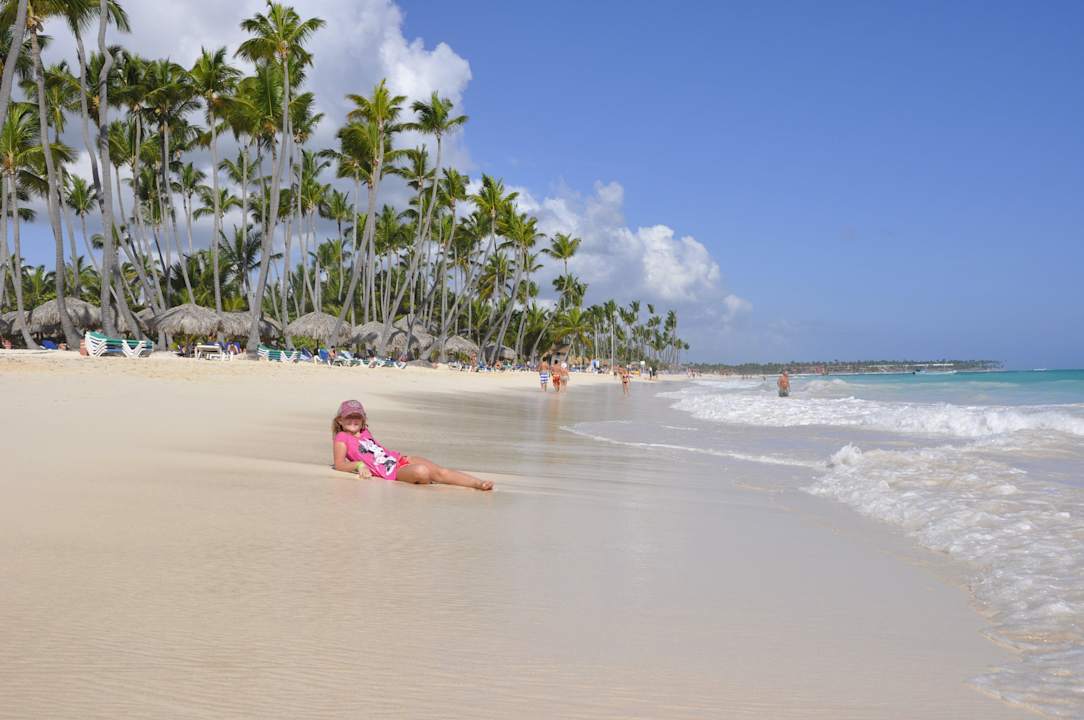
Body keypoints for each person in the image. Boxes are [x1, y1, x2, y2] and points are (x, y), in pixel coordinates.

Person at [331, 400, 493, 490]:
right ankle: (427, 481)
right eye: (348, 417)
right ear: (340, 420)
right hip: (391, 473)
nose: (353, 421)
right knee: (422, 472)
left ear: (363, 419)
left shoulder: (365, 432)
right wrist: (359, 465)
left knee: (440, 471)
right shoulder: (342, 436)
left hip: (400, 460)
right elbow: (338, 464)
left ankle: (477, 483)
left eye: (357, 417)